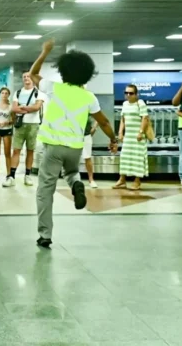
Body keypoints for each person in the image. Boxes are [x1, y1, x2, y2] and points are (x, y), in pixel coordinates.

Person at [30, 40, 118, 248]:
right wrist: (113, 140)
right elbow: (104, 121)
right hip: (75, 147)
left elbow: (33, 74)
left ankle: (45, 234)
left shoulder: (53, 88)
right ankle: (76, 184)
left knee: (45, 190)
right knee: (70, 172)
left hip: (53, 146)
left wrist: (44, 52)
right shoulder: (89, 96)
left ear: (63, 71)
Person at [5, 72, 44, 188]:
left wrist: (22, 107)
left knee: (30, 150)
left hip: (33, 125)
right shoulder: (18, 93)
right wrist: (28, 109)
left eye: (28, 77)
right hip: (20, 125)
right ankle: (11, 176)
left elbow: (37, 108)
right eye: (24, 77)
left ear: (33, 79)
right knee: (16, 150)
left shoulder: (39, 93)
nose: (26, 78)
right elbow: (14, 108)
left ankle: (28, 175)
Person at [114, 84, 150, 191]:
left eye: (131, 93)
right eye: (126, 93)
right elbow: (123, 119)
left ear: (136, 94)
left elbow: (145, 118)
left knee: (138, 157)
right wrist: (120, 132)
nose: (128, 95)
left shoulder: (140, 103)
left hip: (138, 135)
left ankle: (137, 181)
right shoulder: (125, 104)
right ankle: (122, 179)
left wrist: (140, 132)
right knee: (124, 156)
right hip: (128, 135)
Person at [82, 116, 98, 188]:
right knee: (72, 157)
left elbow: (98, 116)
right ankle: (73, 179)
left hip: (86, 135)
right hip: (73, 135)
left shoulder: (88, 105)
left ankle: (91, 179)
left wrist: (94, 127)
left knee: (87, 157)